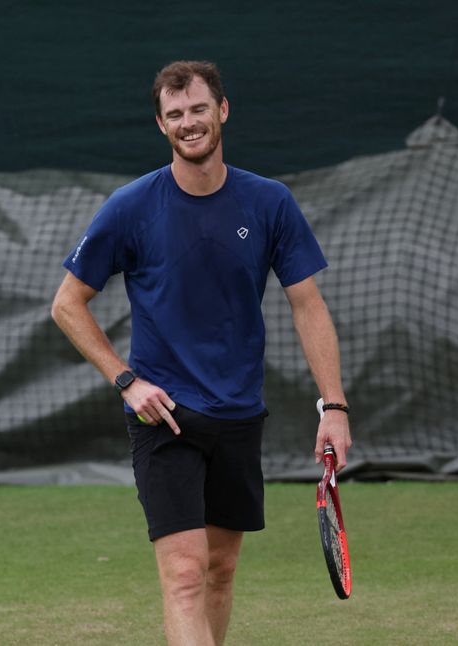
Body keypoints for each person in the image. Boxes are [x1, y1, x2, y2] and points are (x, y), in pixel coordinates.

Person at [50, 60, 351, 645]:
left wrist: (333, 407)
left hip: (239, 416)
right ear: (160, 124)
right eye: (175, 114)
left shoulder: (270, 202)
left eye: (197, 109)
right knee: (185, 575)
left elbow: (308, 305)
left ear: (223, 111)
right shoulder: (131, 206)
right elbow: (67, 303)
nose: (189, 123)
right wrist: (125, 380)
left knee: (219, 573)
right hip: (163, 417)